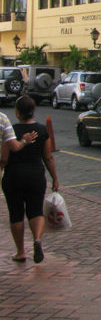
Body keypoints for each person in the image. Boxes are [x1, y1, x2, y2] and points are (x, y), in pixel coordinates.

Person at [1, 96, 59, 263]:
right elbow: (48, 158)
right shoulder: (41, 130)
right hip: (36, 175)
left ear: (17, 112)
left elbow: (4, 158)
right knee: (35, 210)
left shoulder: (10, 129)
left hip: (13, 176)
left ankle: (20, 252)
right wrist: (55, 178)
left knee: (16, 214)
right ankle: (37, 240)